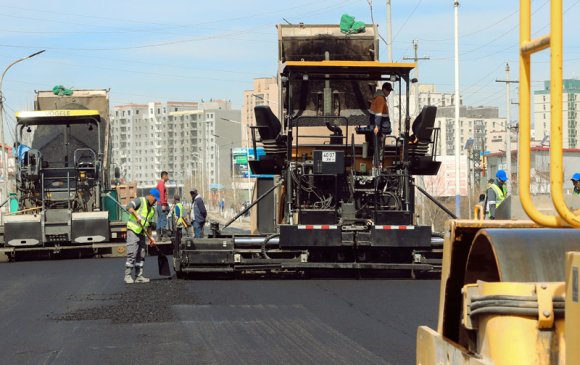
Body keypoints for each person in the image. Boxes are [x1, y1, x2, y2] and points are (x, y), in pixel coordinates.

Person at [124, 188, 159, 284]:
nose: (155, 202)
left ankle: (139, 276)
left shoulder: (151, 210)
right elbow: (128, 206)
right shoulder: (140, 200)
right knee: (132, 253)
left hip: (142, 233)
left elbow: (149, 225)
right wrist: (136, 215)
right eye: (155, 199)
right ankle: (127, 276)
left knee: (141, 254)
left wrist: (151, 238)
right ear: (151, 196)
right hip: (133, 231)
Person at [156, 171, 169, 238]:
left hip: (159, 204)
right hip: (161, 205)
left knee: (159, 219)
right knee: (163, 219)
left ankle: (158, 236)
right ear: (164, 176)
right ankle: (164, 236)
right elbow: (161, 195)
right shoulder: (161, 184)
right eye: (167, 176)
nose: (168, 177)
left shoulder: (160, 183)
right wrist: (163, 204)